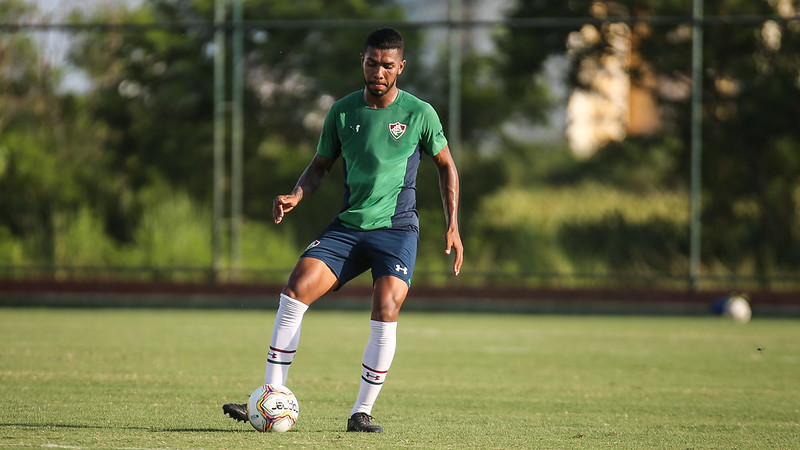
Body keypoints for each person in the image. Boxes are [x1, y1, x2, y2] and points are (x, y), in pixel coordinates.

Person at [223, 27, 463, 433]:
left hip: (396, 230)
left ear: (401, 67)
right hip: (348, 228)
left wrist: (453, 225)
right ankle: (270, 394)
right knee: (296, 289)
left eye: (388, 65)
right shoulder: (342, 112)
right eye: (372, 63)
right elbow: (320, 168)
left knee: (386, 307)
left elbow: (446, 166)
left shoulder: (420, 113)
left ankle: (361, 412)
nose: (379, 71)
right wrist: (297, 195)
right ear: (363, 61)